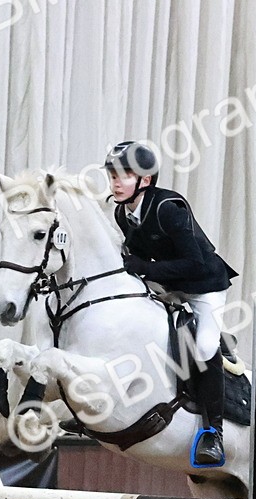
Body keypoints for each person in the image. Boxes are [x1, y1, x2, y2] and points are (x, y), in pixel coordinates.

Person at [103, 140, 238, 468]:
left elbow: (195, 264)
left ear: (145, 181)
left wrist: (145, 268)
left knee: (205, 347)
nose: (115, 182)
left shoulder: (169, 208)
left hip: (203, 287)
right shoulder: (122, 212)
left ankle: (212, 432)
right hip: (167, 285)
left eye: (124, 175)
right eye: (112, 175)